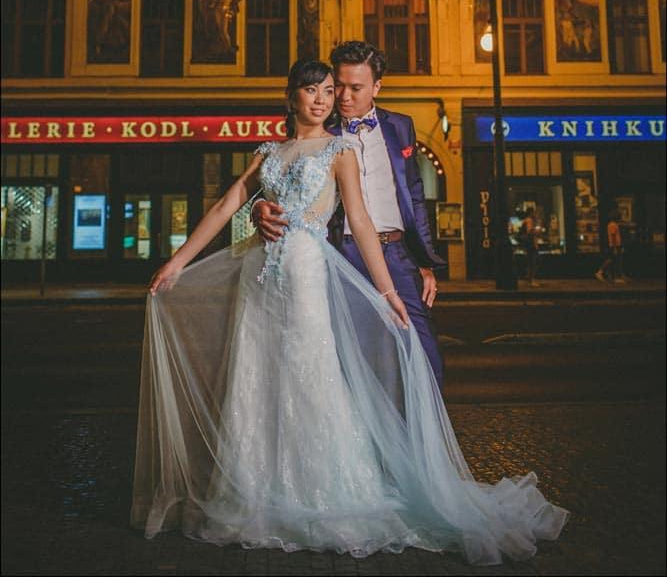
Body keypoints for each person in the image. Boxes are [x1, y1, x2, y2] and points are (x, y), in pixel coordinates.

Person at [131, 59, 569, 563]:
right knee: (255, 379)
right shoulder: (267, 152)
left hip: (305, 273)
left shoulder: (340, 150)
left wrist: (388, 294)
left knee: (312, 376)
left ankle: (324, 490)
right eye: (310, 90)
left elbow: (360, 221)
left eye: (326, 91)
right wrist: (177, 263)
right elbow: (225, 205)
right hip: (260, 280)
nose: (321, 99)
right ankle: (254, 491)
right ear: (290, 96)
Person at [253, 41, 444, 387]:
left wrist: (424, 261)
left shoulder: (400, 126)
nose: (341, 96)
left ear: (376, 87)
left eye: (355, 88)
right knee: (352, 358)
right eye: (337, 85)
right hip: (343, 254)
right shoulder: (321, 126)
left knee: (423, 352)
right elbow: (279, 173)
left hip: (398, 254)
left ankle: (420, 438)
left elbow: (414, 195)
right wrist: (257, 206)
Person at [596, 210, 628, 283]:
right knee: (613, 260)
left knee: (614, 260)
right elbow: (613, 236)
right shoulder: (613, 225)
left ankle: (610, 274)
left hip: (615, 245)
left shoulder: (612, 224)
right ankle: (602, 272)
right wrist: (614, 247)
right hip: (614, 245)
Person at [520, 208, 541, 287]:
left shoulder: (526, 220)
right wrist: (538, 230)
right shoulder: (530, 220)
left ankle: (529, 278)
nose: (535, 214)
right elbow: (530, 231)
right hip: (531, 244)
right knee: (533, 262)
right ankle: (532, 280)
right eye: (534, 212)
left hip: (528, 244)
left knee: (530, 261)